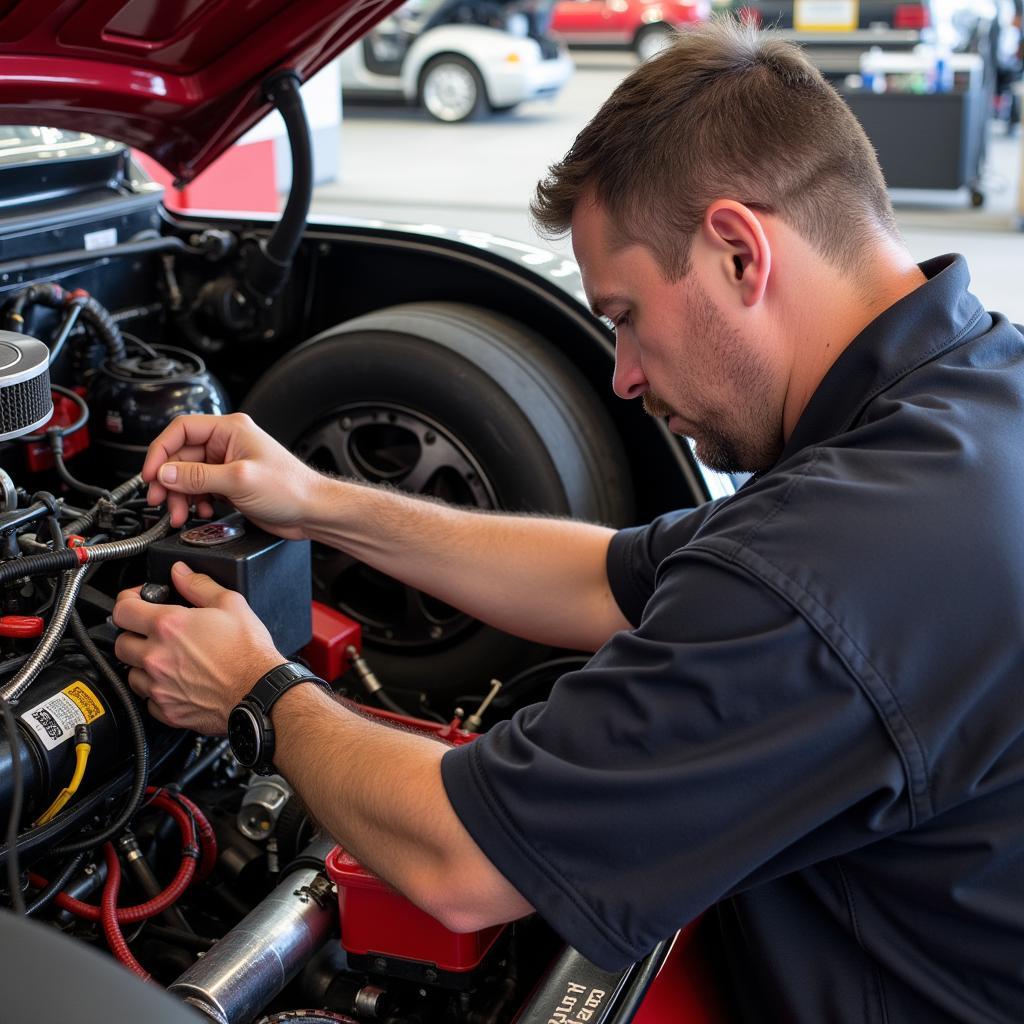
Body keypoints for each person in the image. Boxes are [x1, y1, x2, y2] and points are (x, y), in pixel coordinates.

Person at [112, 19, 1024, 1023]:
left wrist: (254, 690)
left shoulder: (846, 560)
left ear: (735, 250)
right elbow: (605, 577)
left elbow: (462, 861)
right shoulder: (961, 400)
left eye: (626, 314)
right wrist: (319, 502)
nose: (623, 376)